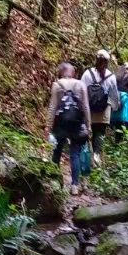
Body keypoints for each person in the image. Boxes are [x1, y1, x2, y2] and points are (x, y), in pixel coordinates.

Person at [46, 62, 91, 195]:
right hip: (76, 123)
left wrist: (48, 126)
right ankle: (75, 185)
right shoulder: (80, 84)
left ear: (61, 72)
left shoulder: (57, 85)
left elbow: (52, 107)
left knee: (57, 151)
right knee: (75, 154)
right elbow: (86, 107)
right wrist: (88, 126)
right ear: (72, 72)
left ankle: (55, 183)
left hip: (60, 124)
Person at [82, 50, 120, 165]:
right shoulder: (111, 76)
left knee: (90, 130)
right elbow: (114, 94)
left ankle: (86, 155)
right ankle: (96, 155)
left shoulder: (87, 73)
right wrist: (115, 106)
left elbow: (81, 89)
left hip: (89, 106)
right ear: (107, 62)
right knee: (100, 132)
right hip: (104, 108)